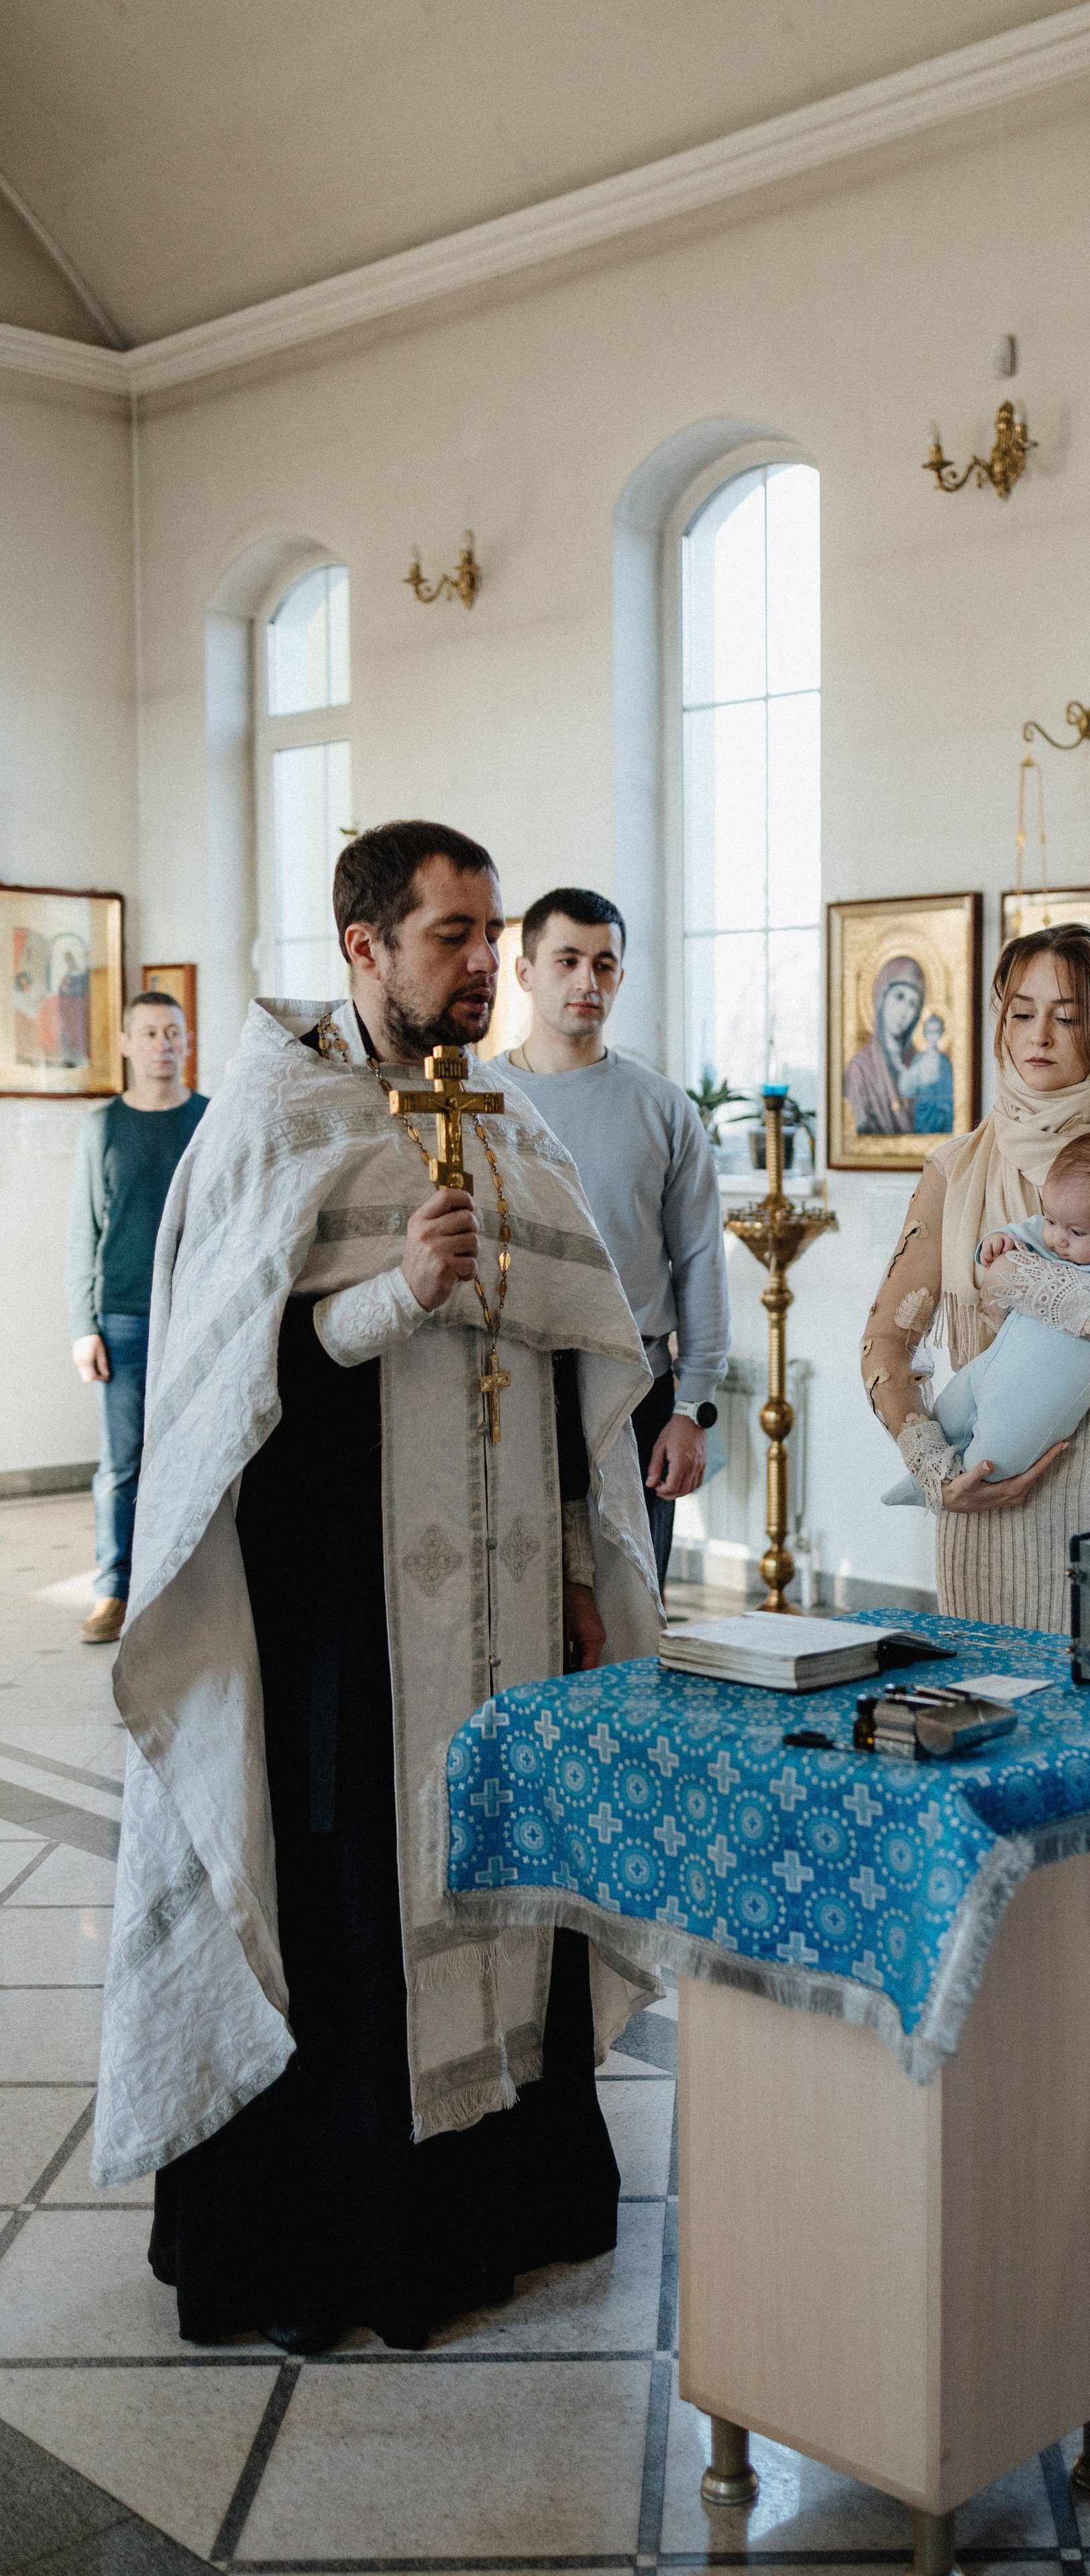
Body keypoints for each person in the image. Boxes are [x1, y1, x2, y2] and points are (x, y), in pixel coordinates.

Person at [93, 820, 663, 2353]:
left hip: (506, 1613)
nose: (484, 964)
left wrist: (577, 1562)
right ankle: (348, 2245)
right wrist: (386, 1297)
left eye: (491, 934)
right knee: (354, 1899)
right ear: (364, 947)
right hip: (340, 1619)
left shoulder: (505, 1118)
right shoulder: (273, 1121)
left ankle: (503, 2208)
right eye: (453, 936)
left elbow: (565, 1359)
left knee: (505, 1874)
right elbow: (222, 1402)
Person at [859, 921, 1090, 1637]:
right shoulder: (955, 1167)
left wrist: (1018, 1280)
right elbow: (885, 1342)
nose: (1039, 1036)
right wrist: (935, 1473)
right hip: (988, 1483)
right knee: (989, 1713)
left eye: (1069, 1016)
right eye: (1021, 1013)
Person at [502, 888, 730, 1587]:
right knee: (521, 1606)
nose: (586, 981)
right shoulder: (475, 1101)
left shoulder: (661, 1106)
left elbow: (699, 1263)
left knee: (629, 1606)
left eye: (604, 965)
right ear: (525, 972)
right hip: (508, 1390)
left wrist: (692, 1408)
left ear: (620, 978)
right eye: (566, 960)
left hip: (637, 1394)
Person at [881, 1134, 1090, 1505]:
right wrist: (996, 1243)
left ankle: (946, 1487)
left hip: (1034, 1400)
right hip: (989, 1366)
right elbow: (1013, 1235)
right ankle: (923, 1484)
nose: (1058, 1240)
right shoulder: (1050, 1234)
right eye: (1051, 1221)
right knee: (946, 1414)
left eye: (1077, 1232)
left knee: (993, 1459)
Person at [66, 989, 207, 1644]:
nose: (162, 1044)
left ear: (186, 1040)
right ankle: (114, 1593)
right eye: (148, 1033)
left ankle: (187, 1590)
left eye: (172, 1032)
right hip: (122, 1316)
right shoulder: (102, 1127)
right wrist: (81, 1325)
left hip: (195, 1314)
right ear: (125, 1044)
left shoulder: (212, 1119)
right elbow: (82, 1231)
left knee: (197, 1452)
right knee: (123, 1462)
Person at [843, 954, 926, 1134]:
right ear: (882, 997)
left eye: (913, 1004)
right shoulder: (860, 1069)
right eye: (899, 997)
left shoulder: (921, 1063)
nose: (905, 1011)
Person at [899, 1011, 954, 1133]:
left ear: (941, 1033)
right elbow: (909, 1088)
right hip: (921, 1111)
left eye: (936, 1031)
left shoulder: (945, 1062)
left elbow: (949, 1093)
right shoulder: (919, 1059)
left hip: (940, 1114)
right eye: (930, 1032)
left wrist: (944, 1107)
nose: (933, 1035)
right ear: (925, 1034)